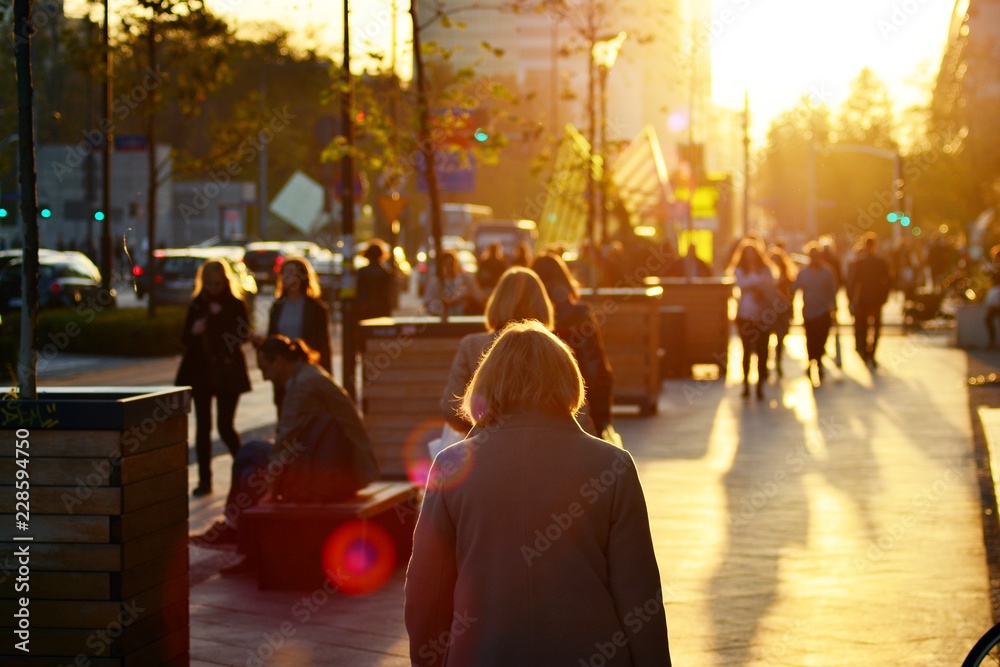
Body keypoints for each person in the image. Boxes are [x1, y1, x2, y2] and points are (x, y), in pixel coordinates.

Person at [405, 320, 671, 666]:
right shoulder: (613, 466)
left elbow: (427, 593)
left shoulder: (452, 466)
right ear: (568, 381)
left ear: (485, 385)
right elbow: (639, 595)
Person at [190, 336, 379, 570]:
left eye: (265, 368)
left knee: (250, 461)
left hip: (332, 472)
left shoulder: (302, 386)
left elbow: (284, 443)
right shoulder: (309, 373)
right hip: (338, 464)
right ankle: (242, 538)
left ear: (279, 361)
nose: (264, 376)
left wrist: (271, 487)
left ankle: (236, 531)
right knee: (250, 464)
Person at [438, 267, 553, 440]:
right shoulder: (556, 349)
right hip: (542, 448)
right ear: (541, 304)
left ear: (497, 302)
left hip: (483, 451)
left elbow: (451, 409)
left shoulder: (471, 345)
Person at [175, 259, 252, 497]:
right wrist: (195, 330)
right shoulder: (198, 304)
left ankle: (246, 472)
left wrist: (220, 320)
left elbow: (242, 335)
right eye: (209, 284)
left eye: (217, 283)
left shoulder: (235, 304)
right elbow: (185, 338)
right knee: (203, 427)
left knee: (225, 426)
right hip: (201, 372)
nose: (213, 288)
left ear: (226, 281)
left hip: (227, 372)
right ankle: (204, 480)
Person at [531, 253, 614, 436]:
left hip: (536, 414)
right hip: (578, 405)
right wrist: (601, 419)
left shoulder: (527, 321)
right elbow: (596, 367)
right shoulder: (579, 315)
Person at [267, 256, 332, 412]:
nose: (289, 277)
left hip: (306, 367)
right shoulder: (277, 307)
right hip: (283, 370)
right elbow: (272, 337)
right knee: (284, 412)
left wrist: (326, 373)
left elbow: (323, 343)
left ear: (303, 277)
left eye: (293, 273)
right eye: (285, 273)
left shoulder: (315, 307)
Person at [726, 238, 777, 400]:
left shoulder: (765, 269)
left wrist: (757, 286)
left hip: (763, 315)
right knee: (747, 350)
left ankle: (760, 385)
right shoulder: (740, 270)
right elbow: (739, 284)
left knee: (762, 351)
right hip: (745, 315)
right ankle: (746, 384)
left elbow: (771, 284)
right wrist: (755, 285)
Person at [793, 242, 838, 384]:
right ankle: (812, 360)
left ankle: (818, 361)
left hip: (823, 312)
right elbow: (794, 289)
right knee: (810, 339)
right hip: (808, 311)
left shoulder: (827, 272)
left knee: (821, 338)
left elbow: (832, 292)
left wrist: (834, 310)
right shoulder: (803, 273)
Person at [846, 232, 891, 368]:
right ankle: (871, 353)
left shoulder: (859, 263)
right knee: (875, 328)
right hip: (875, 299)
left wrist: (851, 299)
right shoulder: (881, 262)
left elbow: (852, 283)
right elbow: (888, 281)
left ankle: (865, 351)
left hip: (863, 300)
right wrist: (884, 297)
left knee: (863, 327)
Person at [423, 248, 482, 317]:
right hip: (443, 320)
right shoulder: (436, 282)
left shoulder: (465, 279)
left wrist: (466, 298)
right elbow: (428, 303)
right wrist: (444, 304)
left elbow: (479, 297)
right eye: (447, 264)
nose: (450, 267)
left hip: (464, 318)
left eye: (452, 264)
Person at [769, 245, 798, 378]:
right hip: (768, 312)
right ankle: (767, 365)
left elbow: (791, 296)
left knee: (780, 339)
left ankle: (778, 363)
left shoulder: (787, 278)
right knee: (766, 339)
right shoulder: (767, 277)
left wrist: (791, 311)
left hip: (782, 312)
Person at [355, 239, 395, 321]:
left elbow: (360, 291)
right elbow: (389, 293)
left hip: (366, 309)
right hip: (382, 308)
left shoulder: (362, 272)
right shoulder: (386, 273)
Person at [983, 245, 1000, 347]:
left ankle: (992, 342)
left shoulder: (996, 268)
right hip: (995, 295)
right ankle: (992, 342)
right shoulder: (994, 268)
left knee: (989, 319)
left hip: (997, 296)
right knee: (989, 319)